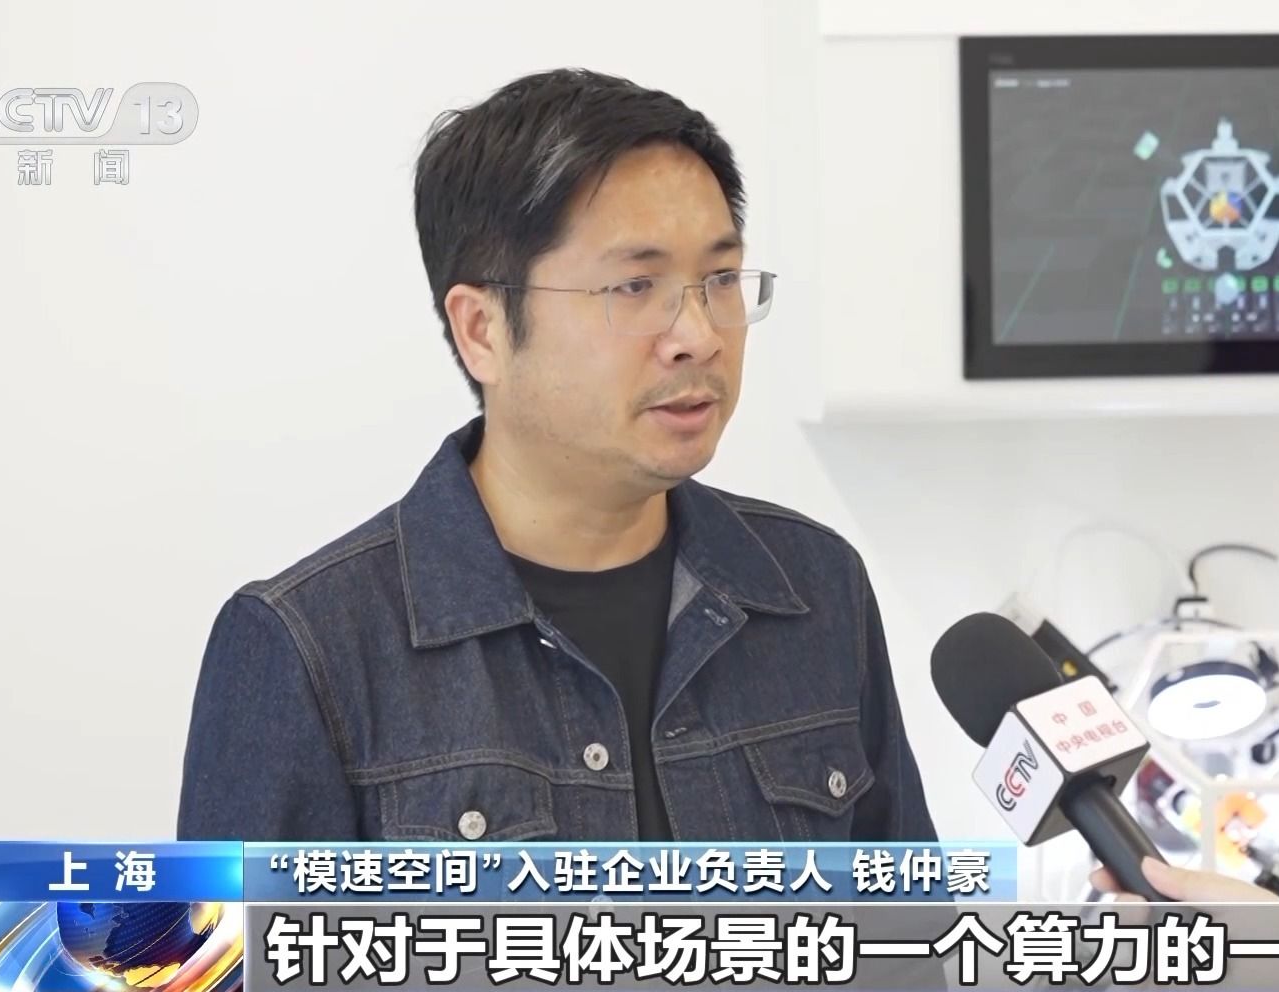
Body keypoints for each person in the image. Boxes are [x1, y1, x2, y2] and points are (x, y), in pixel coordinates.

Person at [175, 69, 936, 845]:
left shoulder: (815, 588)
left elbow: (910, 918)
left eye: (719, 279)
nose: (700, 335)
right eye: (634, 286)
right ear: (482, 330)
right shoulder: (310, 647)